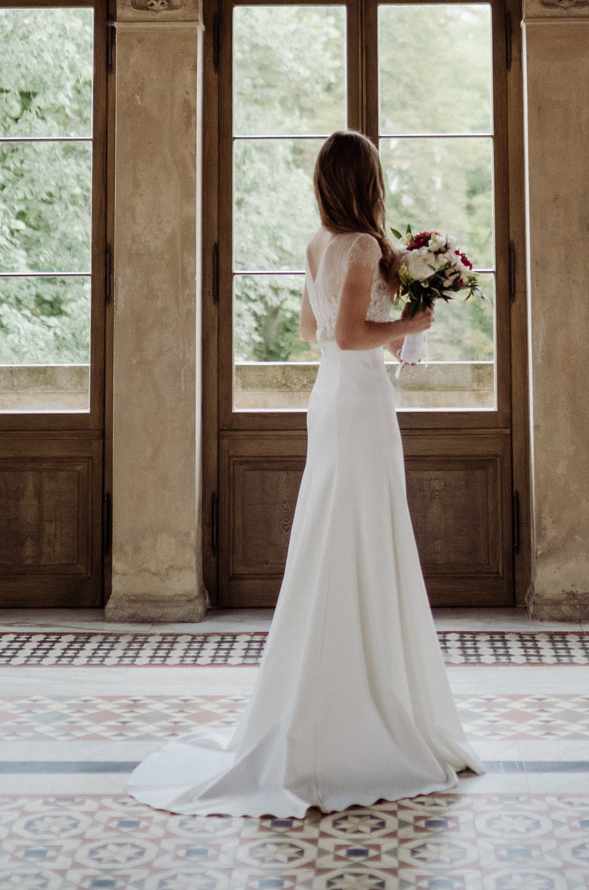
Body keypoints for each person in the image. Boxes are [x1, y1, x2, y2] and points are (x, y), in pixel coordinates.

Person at [127, 129, 483, 816]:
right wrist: (417, 322)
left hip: (331, 400)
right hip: (359, 401)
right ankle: (364, 708)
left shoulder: (321, 244)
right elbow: (350, 336)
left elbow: (312, 331)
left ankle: (323, 694)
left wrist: (396, 313)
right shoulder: (363, 246)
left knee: (335, 535)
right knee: (362, 536)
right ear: (367, 182)